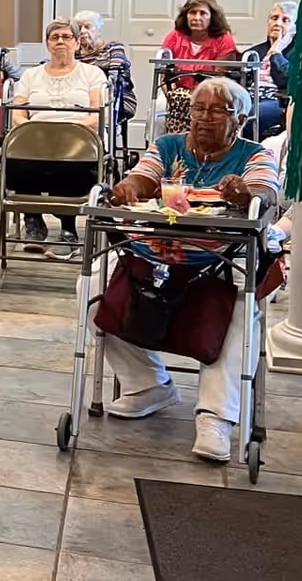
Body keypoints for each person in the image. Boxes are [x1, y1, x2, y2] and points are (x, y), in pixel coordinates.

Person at [104, 77, 280, 463]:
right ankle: (149, 384)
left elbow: (267, 194)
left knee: (238, 313)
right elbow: (143, 175)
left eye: (219, 110)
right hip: (156, 256)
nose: (205, 117)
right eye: (200, 109)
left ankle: (217, 416)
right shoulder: (169, 145)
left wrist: (247, 193)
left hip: (222, 261)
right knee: (100, 293)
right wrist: (130, 187)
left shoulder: (255, 155)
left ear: (241, 117)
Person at [9, 18, 108, 258]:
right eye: (55, 37)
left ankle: (68, 229)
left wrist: (67, 133)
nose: (60, 42)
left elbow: (97, 114)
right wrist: (31, 131)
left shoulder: (92, 74)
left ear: (76, 43)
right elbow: (17, 114)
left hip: (78, 142)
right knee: (17, 161)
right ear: (47, 44)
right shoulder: (31, 75)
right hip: (35, 140)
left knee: (71, 166)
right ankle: (33, 221)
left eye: (66, 37)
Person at [73, 10, 137, 124]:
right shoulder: (73, 53)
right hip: (80, 97)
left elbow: (115, 77)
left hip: (115, 98)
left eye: (88, 27)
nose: (82, 31)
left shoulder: (113, 48)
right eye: (79, 28)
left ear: (98, 30)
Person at [253, 0, 295, 137]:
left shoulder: (298, 54)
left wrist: (276, 51)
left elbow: (285, 80)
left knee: (252, 114)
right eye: (274, 18)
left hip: (277, 101)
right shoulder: (254, 51)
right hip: (250, 97)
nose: (278, 23)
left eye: (285, 20)